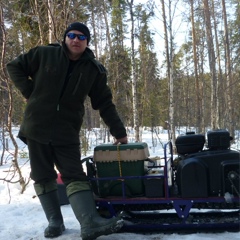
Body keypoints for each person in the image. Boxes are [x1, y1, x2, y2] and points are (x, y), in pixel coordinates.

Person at [7, 22, 128, 240]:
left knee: (74, 175)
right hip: (37, 126)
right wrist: (30, 92)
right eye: (72, 35)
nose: (76, 40)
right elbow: (14, 66)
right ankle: (55, 222)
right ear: (65, 38)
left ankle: (89, 223)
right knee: (43, 175)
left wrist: (119, 133)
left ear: (87, 43)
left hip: (67, 130)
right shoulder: (45, 54)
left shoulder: (94, 69)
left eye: (81, 37)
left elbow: (104, 103)